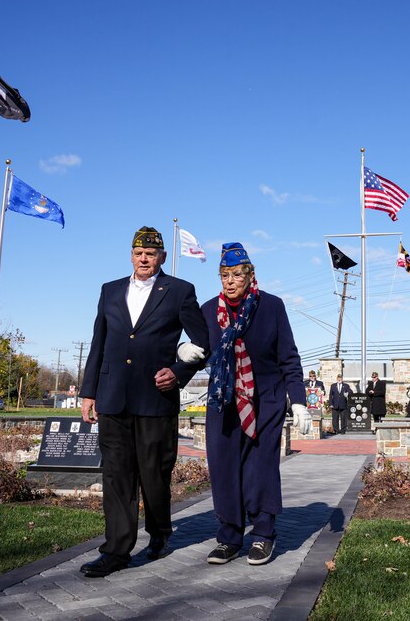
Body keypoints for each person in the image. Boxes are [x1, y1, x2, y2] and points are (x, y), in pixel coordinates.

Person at [78, 226, 210, 578]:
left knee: (154, 475)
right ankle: (116, 551)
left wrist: (178, 371)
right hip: (113, 397)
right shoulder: (109, 291)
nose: (144, 259)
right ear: (131, 255)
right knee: (116, 475)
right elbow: (98, 343)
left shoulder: (180, 291)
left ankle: (160, 534)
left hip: (156, 398)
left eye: (151, 254)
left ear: (162, 257)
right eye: (139, 253)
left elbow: (202, 342)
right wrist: (88, 391)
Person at [201, 243, 312, 567]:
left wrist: (299, 401)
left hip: (266, 401)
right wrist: (186, 355)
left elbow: (288, 356)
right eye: (225, 275)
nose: (230, 281)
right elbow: (200, 350)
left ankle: (263, 534)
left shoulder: (272, 307)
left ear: (250, 275)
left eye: (237, 274)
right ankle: (229, 537)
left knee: (260, 470)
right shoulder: (209, 311)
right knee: (224, 470)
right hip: (223, 402)